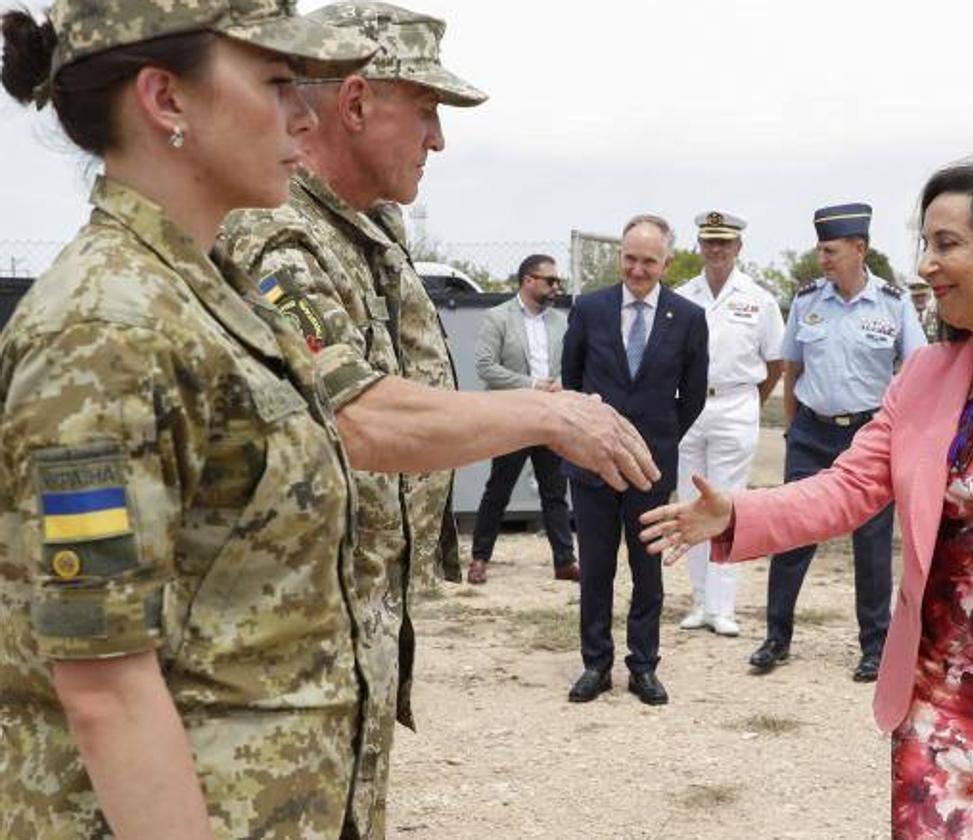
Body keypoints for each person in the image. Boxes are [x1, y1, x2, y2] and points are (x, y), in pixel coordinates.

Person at [216, 3, 657, 834]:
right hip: (276, 649)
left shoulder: (370, 228)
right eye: (425, 112)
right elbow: (355, 417)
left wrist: (543, 407)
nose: (439, 140)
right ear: (354, 102)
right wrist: (543, 417)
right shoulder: (275, 235)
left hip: (350, 623)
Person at [642, 162, 973, 839]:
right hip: (933, 698)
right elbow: (849, 487)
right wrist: (739, 512)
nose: (926, 264)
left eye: (948, 244)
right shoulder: (926, 375)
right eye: (926, 243)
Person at [0, 3, 380, 837]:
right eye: (277, 81)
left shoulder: (209, 291)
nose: (303, 114)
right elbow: (104, 688)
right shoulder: (107, 330)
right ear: (166, 100)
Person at [750, 203, 926, 682]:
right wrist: (793, 430)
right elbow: (793, 367)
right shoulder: (807, 300)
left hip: (868, 435)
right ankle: (775, 638)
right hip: (810, 431)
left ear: (859, 249)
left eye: (830, 250)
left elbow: (915, 370)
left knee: (870, 545)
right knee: (791, 533)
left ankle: (874, 647)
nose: (822, 258)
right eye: (820, 249)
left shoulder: (893, 303)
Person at [563, 214, 708, 706]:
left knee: (648, 574)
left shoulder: (688, 318)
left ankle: (643, 666)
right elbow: (572, 382)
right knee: (597, 569)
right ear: (619, 256)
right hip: (591, 467)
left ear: (666, 262)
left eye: (649, 261)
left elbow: (690, 398)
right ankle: (595, 666)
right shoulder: (589, 308)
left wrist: (657, 443)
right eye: (630, 258)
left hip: (648, 468)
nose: (638, 270)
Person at [674, 210, 784, 636]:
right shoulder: (683, 295)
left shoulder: (758, 298)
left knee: (728, 504)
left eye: (725, 243)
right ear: (699, 246)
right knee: (690, 501)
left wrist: (752, 400)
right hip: (690, 405)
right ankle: (700, 600)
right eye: (709, 242)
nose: (716, 250)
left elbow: (775, 361)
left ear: (739, 248)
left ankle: (724, 606)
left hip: (737, 402)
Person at [369, 200, 463, 585]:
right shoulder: (303, 235)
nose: (434, 144)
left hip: (417, 464)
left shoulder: (384, 234)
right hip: (385, 466)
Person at [470, 254, 579, 584]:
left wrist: (562, 382)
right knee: (498, 489)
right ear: (528, 281)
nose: (555, 286)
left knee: (555, 491)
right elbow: (485, 366)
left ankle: (564, 561)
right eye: (549, 280)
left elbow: (572, 363)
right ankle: (479, 558)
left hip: (550, 416)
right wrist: (531, 384)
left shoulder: (562, 322)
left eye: (556, 281)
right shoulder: (497, 317)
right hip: (512, 416)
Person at [908, 276, 940, 342]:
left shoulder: (938, 316)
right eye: (916, 296)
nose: (919, 299)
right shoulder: (907, 317)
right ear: (911, 298)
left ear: (929, 297)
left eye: (922, 296)